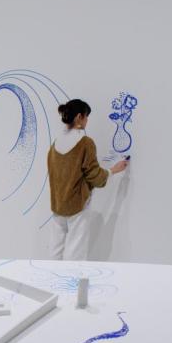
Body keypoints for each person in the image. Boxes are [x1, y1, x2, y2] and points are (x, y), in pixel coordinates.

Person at [45, 99, 128, 260]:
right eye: (86, 116)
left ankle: (50, 283)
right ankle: (71, 284)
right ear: (79, 117)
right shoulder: (85, 143)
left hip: (57, 205)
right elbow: (95, 176)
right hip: (77, 205)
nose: (87, 121)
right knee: (75, 252)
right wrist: (113, 170)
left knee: (55, 250)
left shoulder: (55, 144)